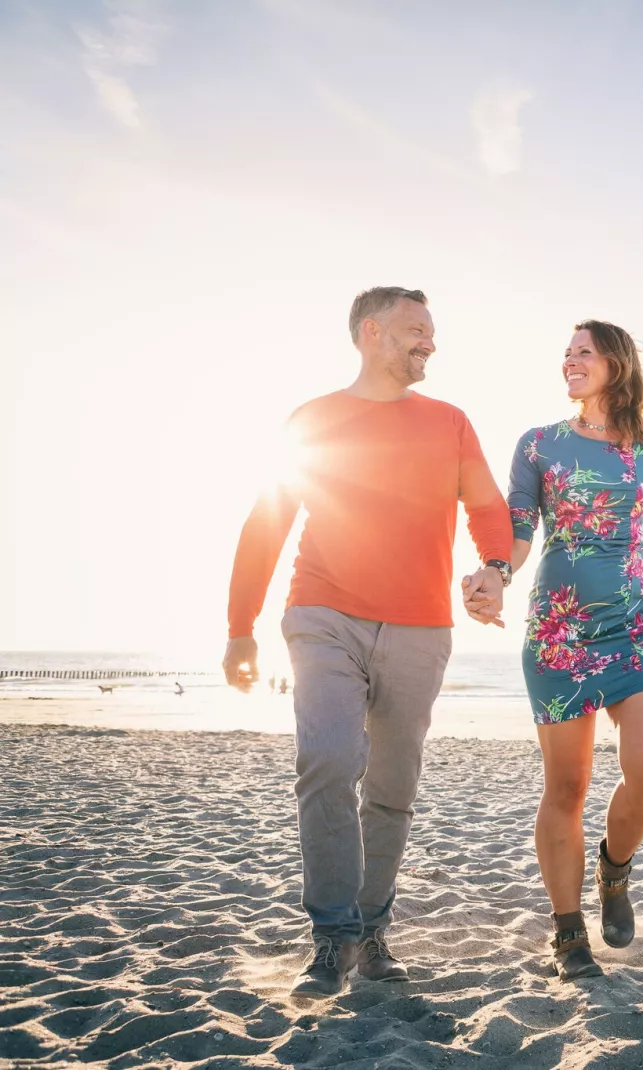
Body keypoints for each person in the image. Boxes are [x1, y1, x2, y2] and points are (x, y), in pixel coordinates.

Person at [224, 287, 512, 998]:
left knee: (392, 784)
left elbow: (486, 507)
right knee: (326, 759)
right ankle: (331, 935)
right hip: (324, 613)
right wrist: (239, 628)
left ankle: (371, 928)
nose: (431, 344)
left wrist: (495, 571)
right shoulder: (315, 420)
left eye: (434, 332)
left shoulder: (449, 423)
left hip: (420, 626)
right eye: (418, 330)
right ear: (373, 333)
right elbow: (267, 524)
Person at [486, 320, 643, 981]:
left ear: (615, 362)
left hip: (639, 626)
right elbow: (519, 532)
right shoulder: (539, 446)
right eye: (566, 352)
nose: (569, 360)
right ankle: (567, 933)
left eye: (582, 351)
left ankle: (614, 870)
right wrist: (495, 575)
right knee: (568, 785)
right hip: (560, 629)